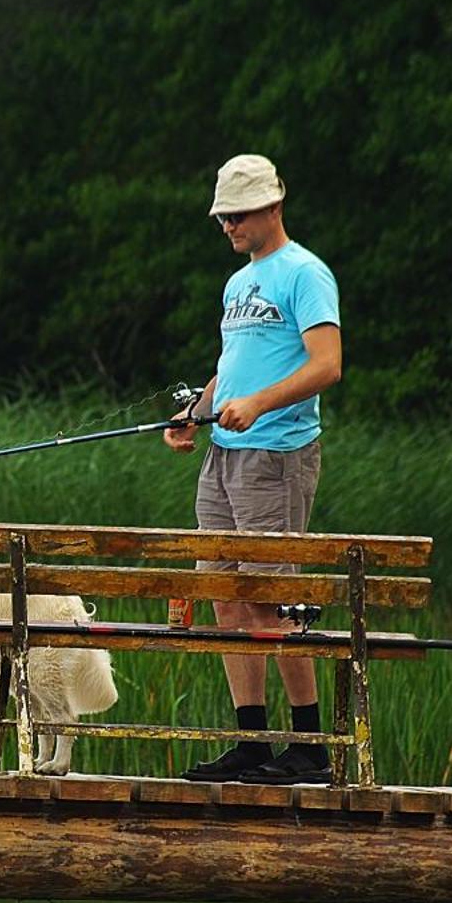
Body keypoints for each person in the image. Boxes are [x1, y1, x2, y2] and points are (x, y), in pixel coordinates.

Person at [163, 154, 342, 785]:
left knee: (271, 598)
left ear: (271, 206)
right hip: (223, 457)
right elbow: (233, 364)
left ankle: (310, 748)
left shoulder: (306, 273)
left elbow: (327, 365)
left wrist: (259, 406)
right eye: (221, 218)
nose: (227, 226)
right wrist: (198, 411)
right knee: (223, 598)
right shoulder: (239, 283)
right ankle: (251, 742)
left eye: (236, 215)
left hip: (277, 456)